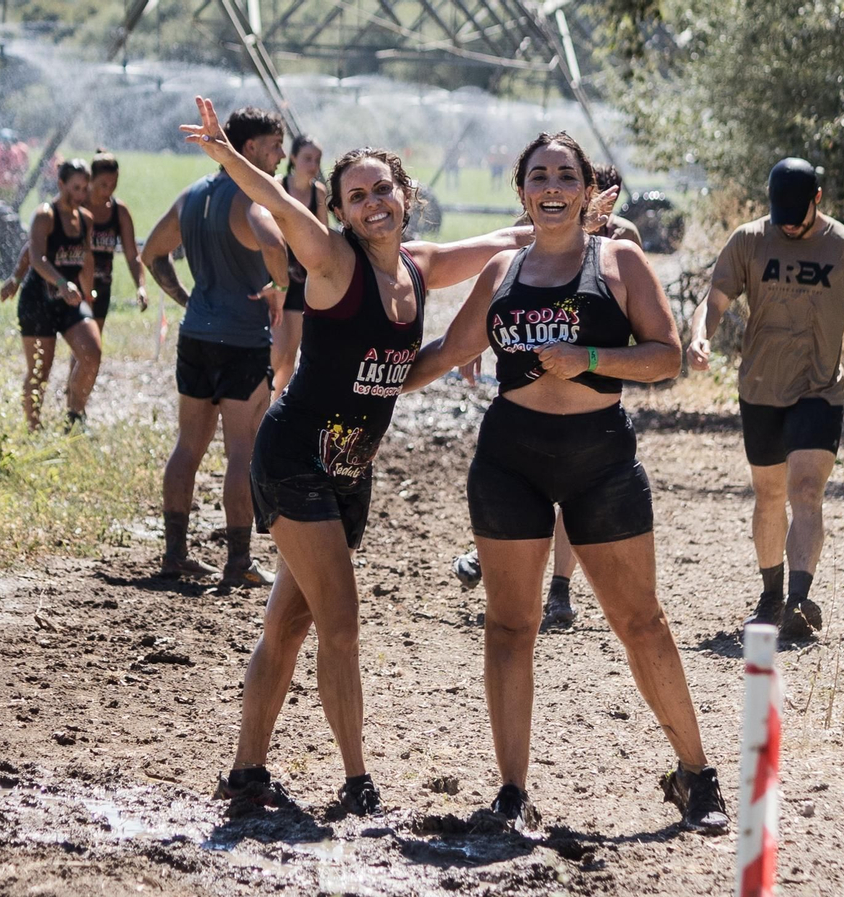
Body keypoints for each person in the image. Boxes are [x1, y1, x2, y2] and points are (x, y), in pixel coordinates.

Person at [179, 97, 542, 818]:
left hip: (351, 473)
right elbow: (282, 205)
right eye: (357, 196)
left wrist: (576, 220)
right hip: (292, 462)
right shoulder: (333, 259)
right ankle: (356, 781)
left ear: (407, 198)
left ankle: (246, 773)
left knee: (287, 625)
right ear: (343, 212)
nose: (373, 203)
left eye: (384, 190)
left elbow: (508, 239)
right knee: (340, 623)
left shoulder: (421, 264)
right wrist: (229, 157)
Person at [405, 131, 727, 834]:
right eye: (538, 175)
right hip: (510, 459)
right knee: (510, 624)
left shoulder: (619, 261)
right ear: (522, 193)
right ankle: (513, 792)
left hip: (600, 458)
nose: (552, 185)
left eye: (565, 174)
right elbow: (448, 351)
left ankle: (698, 777)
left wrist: (586, 356)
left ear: (586, 191)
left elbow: (666, 357)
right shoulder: (501, 270)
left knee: (641, 621)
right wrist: (365, 378)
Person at [688, 158, 844, 640]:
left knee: (805, 491)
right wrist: (701, 335)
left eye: (797, 213)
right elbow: (716, 297)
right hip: (761, 388)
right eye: (780, 211)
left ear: (818, 199)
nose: (788, 222)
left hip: (818, 389)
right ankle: (770, 597)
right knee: (769, 495)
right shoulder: (748, 239)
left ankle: (799, 603)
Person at [452, 160, 647, 627]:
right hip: (521, 408)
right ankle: (501, 553)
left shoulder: (622, 242)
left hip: (594, 406)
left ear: (596, 192)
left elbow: (648, 337)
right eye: (543, 181)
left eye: (572, 184)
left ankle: (558, 588)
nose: (558, 193)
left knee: (576, 494)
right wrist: (472, 342)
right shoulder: (532, 228)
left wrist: (594, 359)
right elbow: (503, 293)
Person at [139, 106, 291, 588]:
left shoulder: (193, 195)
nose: (280, 155)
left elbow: (150, 253)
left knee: (188, 447)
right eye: (273, 146)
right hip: (242, 341)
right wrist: (280, 287)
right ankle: (238, 561)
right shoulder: (251, 199)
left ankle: (174, 555)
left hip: (196, 336)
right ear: (248, 149)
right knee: (241, 454)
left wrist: (184, 296)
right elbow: (275, 245)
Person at [0, 158, 99, 432]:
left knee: (91, 354)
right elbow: (35, 254)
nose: (80, 194)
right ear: (61, 184)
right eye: (75, 188)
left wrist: (88, 294)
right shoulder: (45, 214)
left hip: (70, 300)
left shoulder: (86, 220)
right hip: (38, 301)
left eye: (84, 189)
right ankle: (34, 429)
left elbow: (87, 258)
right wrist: (19, 279)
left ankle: (75, 417)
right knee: (40, 370)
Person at [3, 150, 148, 338]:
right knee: (53, 353)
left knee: (91, 349)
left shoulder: (117, 212)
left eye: (113, 185)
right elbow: (35, 248)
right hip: (67, 282)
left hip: (99, 285)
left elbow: (131, 254)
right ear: (91, 181)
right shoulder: (73, 207)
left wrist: (140, 286)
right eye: (103, 184)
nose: (108, 190)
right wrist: (16, 277)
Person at [272, 134, 327, 400]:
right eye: (307, 158)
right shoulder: (278, 186)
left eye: (317, 160)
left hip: (303, 280)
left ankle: (274, 406)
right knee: (276, 350)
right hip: (275, 275)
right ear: (292, 158)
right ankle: (261, 404)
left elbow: (324, 236)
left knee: (290, 355)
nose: (313, 165)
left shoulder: (319, 194)